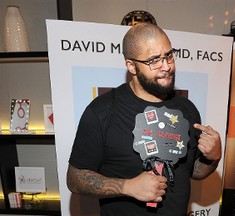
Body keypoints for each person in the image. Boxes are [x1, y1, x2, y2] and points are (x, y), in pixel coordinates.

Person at [66, 22, 222, 216]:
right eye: (154, 60)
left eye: (169, 55)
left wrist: (213, 158)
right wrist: (127, 187)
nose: (166, 66)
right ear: (131, 65)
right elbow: (74, 178)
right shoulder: (102, 111)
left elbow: (193, 172)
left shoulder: (187, 110)